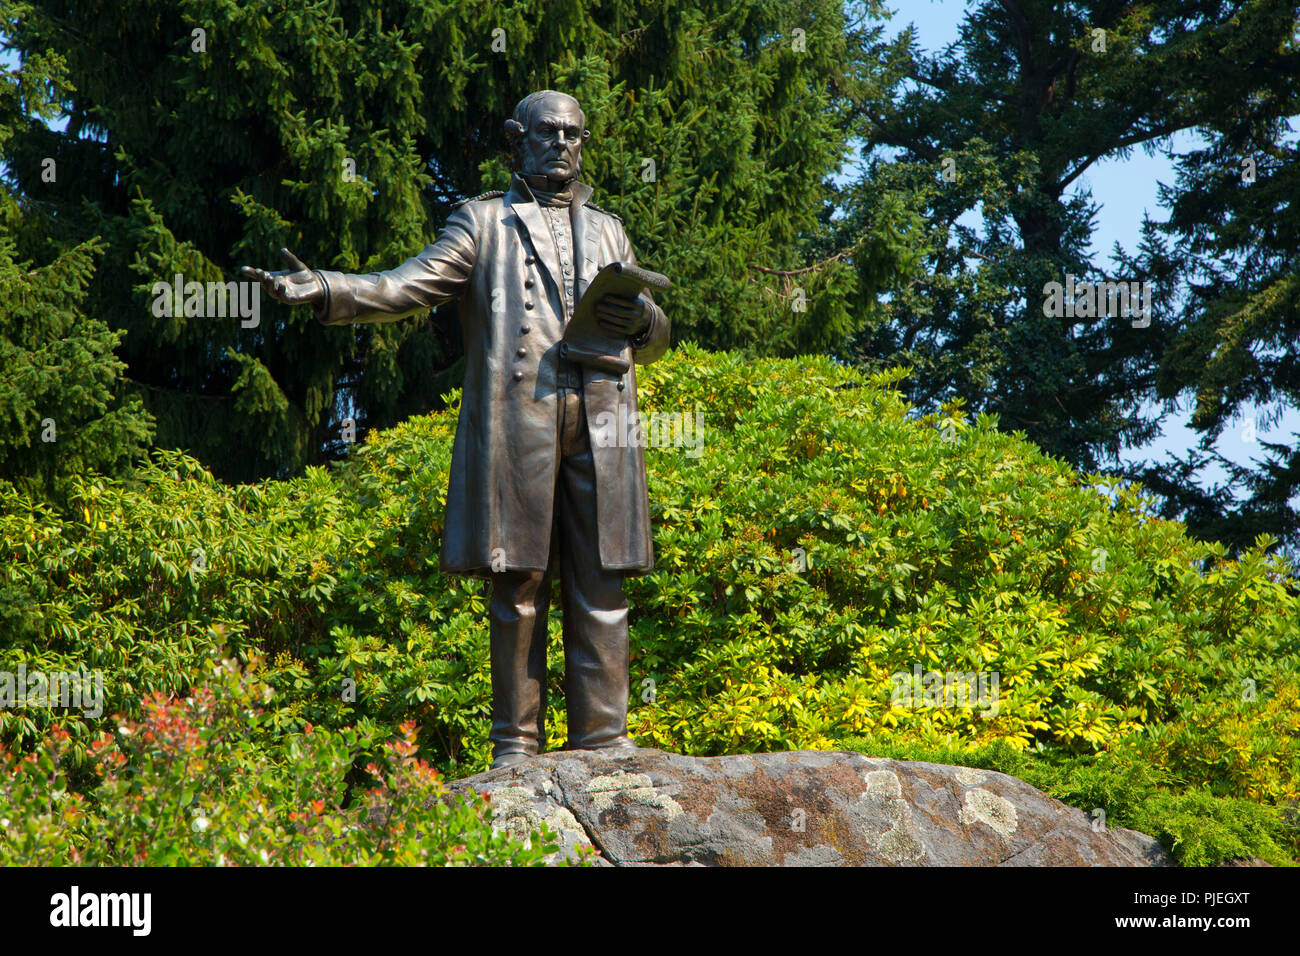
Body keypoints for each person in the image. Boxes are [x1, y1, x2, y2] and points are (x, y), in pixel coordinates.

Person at [242, 90, 669, 769]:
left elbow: (651, 330)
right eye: (547, 132)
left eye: (573, 134)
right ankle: (516, 747)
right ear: (515, 139)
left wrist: (644, 322)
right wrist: (325, 288)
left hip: (603, 420)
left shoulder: (612, 230)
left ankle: (603, 738)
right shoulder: (482, 223)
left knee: (603, 583)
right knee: (518, 584)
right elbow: (405, 285)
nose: (561, 144)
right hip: (522, 420)